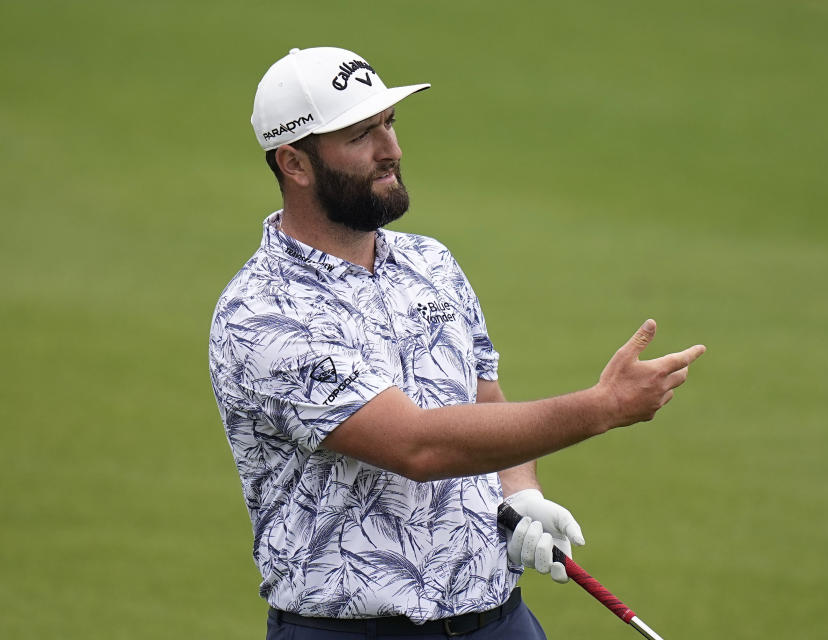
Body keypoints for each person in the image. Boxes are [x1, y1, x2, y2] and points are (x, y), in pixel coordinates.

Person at [209, 46, 705, 639]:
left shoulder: (430, 263)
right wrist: (602, 408)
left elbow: (485, 401)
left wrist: (519, 490)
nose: (391, 149)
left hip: (498, 621)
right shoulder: (263, 313)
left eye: (389, 123)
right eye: (361, 134)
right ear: (294, 162)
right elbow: (418, 447)